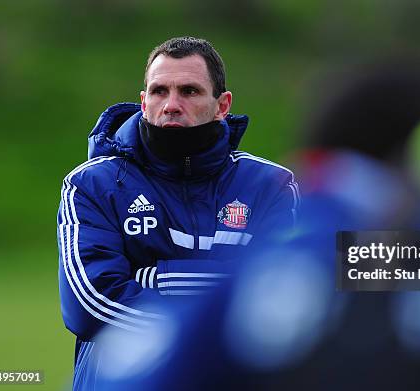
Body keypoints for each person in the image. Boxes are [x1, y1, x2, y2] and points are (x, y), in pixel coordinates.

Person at [56, 36, 299, 389]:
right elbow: (91, 306)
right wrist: (225, 291)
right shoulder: (93, 184)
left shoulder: (271, 184)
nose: (171, 104)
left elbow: (282, 296)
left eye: (189, 91)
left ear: (222, 105)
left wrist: (154, 279)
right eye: (159, 91)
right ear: (143, 102)